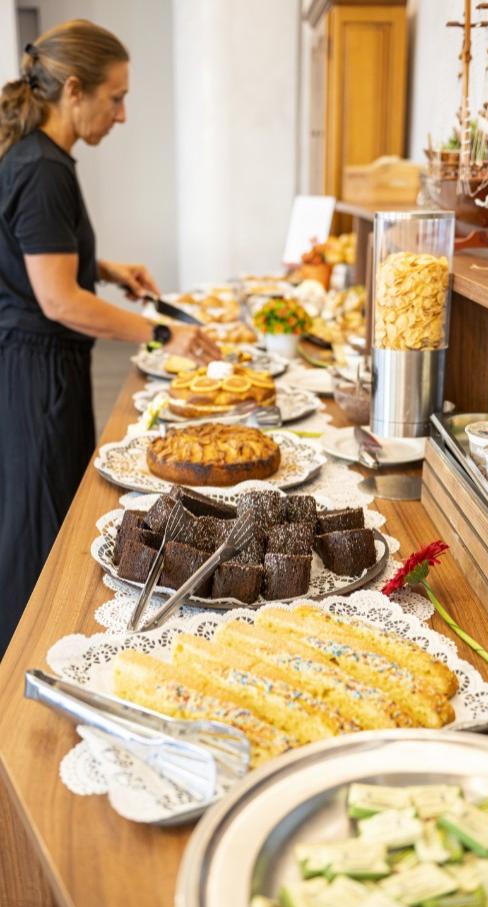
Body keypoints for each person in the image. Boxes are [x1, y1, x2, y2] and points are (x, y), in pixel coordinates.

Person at [0, 19, 220, 656]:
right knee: (41, 534)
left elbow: (40, 256)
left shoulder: (36, 157)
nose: (121, 115)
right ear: (74, 90)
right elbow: (58, 299)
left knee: (37, 517)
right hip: (37, 373)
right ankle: (29, 670)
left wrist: (107, 267)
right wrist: (162, 332)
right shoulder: (43, 169)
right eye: (115, 97)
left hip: (35, 365)